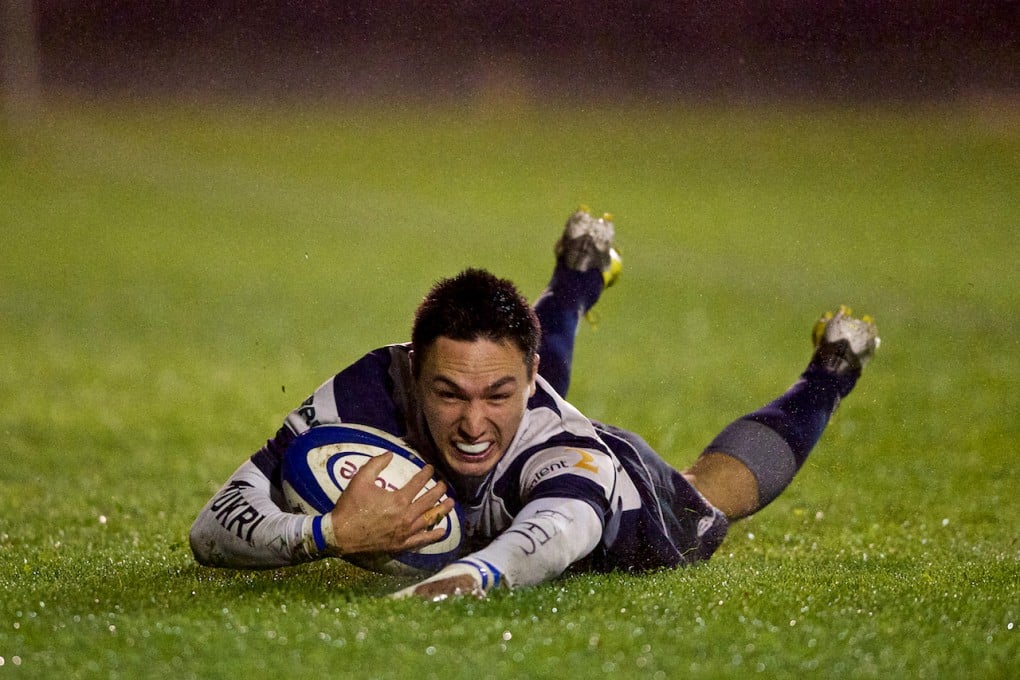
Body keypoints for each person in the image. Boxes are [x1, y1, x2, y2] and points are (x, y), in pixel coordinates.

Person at [189, 209, 879, 600]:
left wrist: (443, 590)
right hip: (517, 425)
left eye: (499, 393)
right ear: (414, 367)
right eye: (447, 391)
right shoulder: (370, 386)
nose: (470, 422)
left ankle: (830, 372)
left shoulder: (572, 458)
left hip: (618, 491)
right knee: (496, 407)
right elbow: (210, 529)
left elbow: (547, 542)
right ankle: (579, 274)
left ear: (531, 380)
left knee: (708, 491)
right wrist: (331, 535)